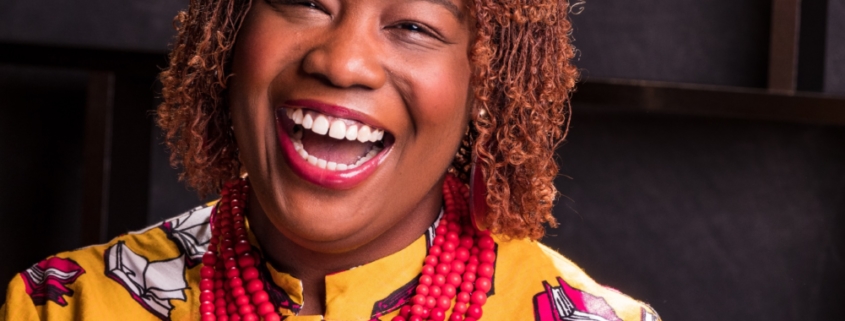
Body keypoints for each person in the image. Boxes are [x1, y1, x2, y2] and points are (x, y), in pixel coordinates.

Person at [1, 0, 661, 320]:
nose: (341, 61)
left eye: (412, 25)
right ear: (230, 32)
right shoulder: (64, 306)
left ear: (483, 86)